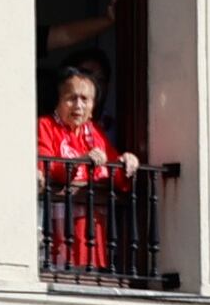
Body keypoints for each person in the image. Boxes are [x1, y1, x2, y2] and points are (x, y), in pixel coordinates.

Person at [38, 62, 136, 271]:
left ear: (93, 108)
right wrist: (79, 162)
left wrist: (127, 162)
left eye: (85, 99)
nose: (78, 106)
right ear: (57, 101)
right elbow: (45, 166)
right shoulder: (45, 126)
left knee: (90, 278)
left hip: (92, 228)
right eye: (71, 98)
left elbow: (115, 175)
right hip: (58, 227)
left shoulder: (95, 133)